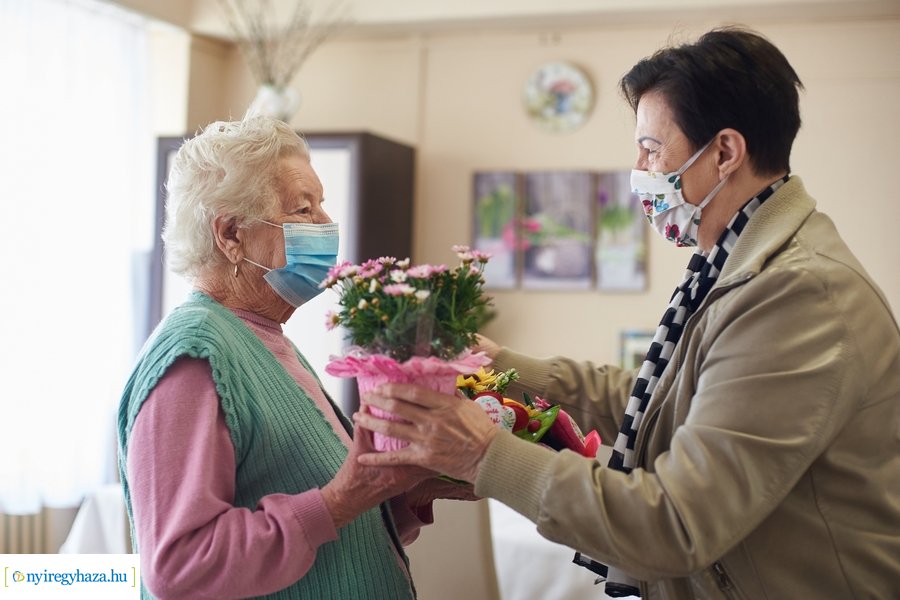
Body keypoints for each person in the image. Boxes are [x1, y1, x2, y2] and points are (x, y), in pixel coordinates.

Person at [354, 26, 900, 598]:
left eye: (652, 148)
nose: (638, 168)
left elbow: (676, 523)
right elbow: (658, 402)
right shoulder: (741, 260)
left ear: (724, 152)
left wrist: (486, 455)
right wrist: (502, 365)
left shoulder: (797, 293)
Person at [117, 116, 470, 599]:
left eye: (321, 205)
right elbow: (179, 568)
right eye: (304, 209)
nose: (327, 224)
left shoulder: (264, 339)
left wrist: (407, 491)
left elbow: (331, 529)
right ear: (231, 234)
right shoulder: (194, 356)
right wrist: (344, 498)